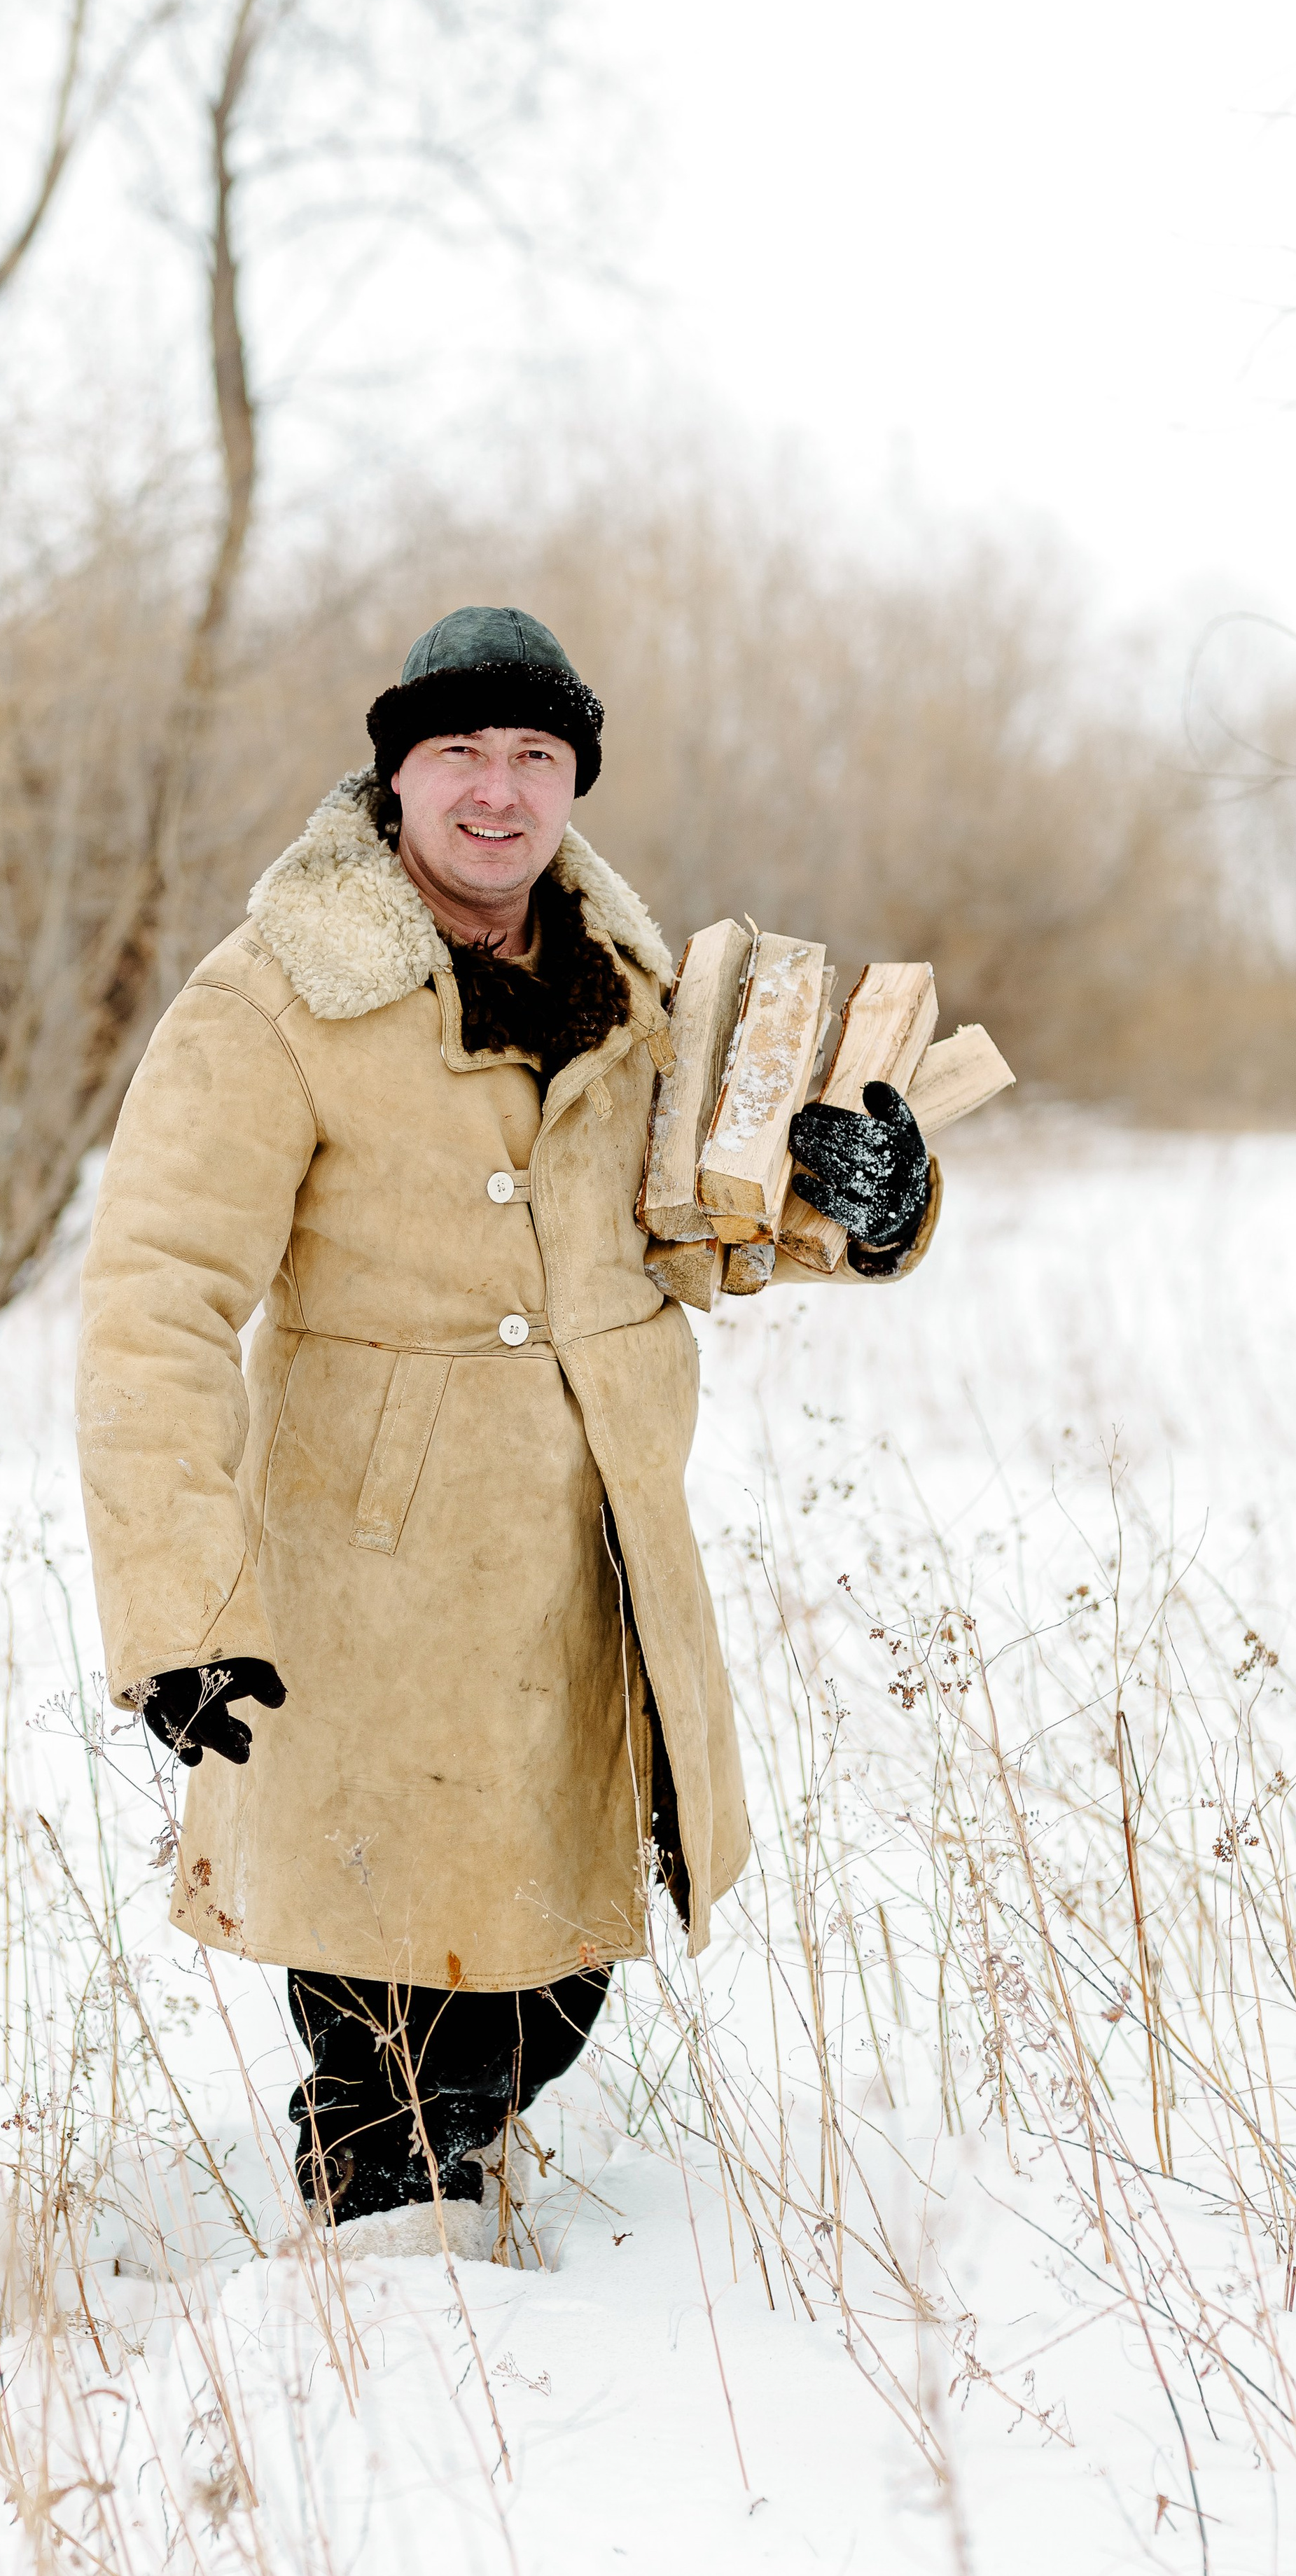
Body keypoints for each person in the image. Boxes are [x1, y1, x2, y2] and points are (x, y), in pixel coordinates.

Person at [75, 606, 938, 2252]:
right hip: (371, 1591)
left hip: (582, 1572)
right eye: (458, 752)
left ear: (571, 783)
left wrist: (865, 1204)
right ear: (394, 776)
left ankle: (449, 2190)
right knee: (386, 2012)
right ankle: (385, 2290)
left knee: (552, 1977)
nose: (495, 789)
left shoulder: (636, 991)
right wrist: (178, 1611)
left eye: (533, 755)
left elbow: (707, 1222)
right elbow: (153, 1305)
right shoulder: (272, 998)